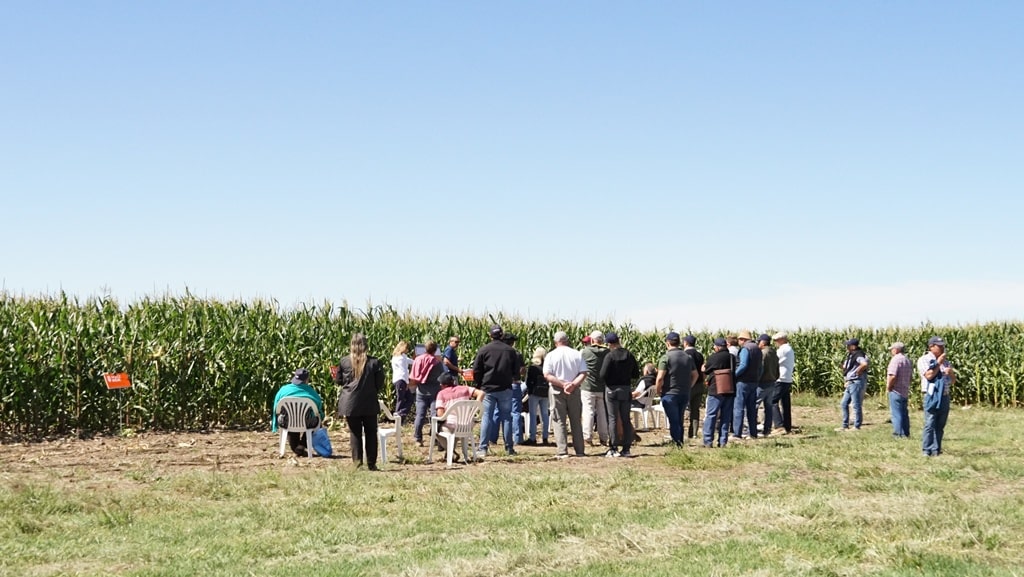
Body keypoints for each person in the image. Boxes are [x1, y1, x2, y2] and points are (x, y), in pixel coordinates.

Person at [335, 333, 385, 469]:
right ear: (366, 345)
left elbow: (338, 380)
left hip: (350, 403)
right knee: (371, 433)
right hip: (369, 402)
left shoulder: (344, 361)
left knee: (355, 433)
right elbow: (380, 383)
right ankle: (372, 464)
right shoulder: (375, 362)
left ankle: (357, 463)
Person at [472, 325, 522, 457]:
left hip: (488, 388)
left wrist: (479, 384)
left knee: (487, 417)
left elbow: (476, 370)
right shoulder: (510, 351)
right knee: (507, 418)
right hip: (505, 388)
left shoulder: (484, 350)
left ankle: (483, 448)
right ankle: (509, 448)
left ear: (490, 336)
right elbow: (516, 372)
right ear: (502, 335)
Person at [543, 330, 588, 458]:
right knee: (575, 420)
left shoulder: (551, 355)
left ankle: (562, 450)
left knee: (559, 420)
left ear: (555, 342)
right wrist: (572, 384)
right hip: (574, 390)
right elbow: (584, 372)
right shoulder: (576, 354)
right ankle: (579, 450)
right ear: (567, 341)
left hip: (557, 390)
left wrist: (563, 385)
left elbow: (547, 375)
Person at [599, 332, 640, 457]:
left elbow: (602, 374)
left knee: (613, 419)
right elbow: (636, 374)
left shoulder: (610, 356)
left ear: (609, 343)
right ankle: (626, 448)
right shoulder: (629, 355)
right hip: (626, 389)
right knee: (626, 419)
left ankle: (613, 447)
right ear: (619, 340)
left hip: (611, 390)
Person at [656, 331, 698, 447]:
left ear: (668, 343)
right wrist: (690, 386)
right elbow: (695, 374)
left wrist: (658, 390)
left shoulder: (666, 357)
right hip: (684, 393)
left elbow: (660, 377)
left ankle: (677, 443)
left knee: (674, 420)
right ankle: (680, 441)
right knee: (679, 418)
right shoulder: (688, 357)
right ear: (679, 342)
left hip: (670, 393)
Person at [272, 368, 325, 457]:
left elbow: (276, 408)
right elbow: (319, 409)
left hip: (287, 422)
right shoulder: (311, 392)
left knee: (289, 420)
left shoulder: (283, 389)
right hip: (306, 422)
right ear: (307, 379)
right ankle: (302, 445)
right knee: (316, 420)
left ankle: (295, 447)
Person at [918, 336, 955, 456]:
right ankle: (926, 449)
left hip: (944, 395)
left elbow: (952, 381)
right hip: (931, 395)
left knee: (940, 424)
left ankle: (936, 449)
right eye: (939, 346)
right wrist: (938, 363)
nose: (942, 348)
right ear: (931, 347)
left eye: (943, 345)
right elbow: (929, 376)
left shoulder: (946, 362)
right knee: (930, 422)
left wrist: (951, 373)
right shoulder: (924, 360)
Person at [434, 372, 484, 456]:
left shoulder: (441, 394)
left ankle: (450, 450)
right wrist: (474, 409)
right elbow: (481, 393)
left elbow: (440, 414)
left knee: (436, 429)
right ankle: (454, 451)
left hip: (452, 425)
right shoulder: (465, 389)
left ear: (444, 385)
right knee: (454, 431)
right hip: (467, 424)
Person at [702, 338, 736, 447]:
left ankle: (708, 440)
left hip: (715, 389)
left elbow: (706, 370)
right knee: (725, 417)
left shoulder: (713, 357)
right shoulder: (732, 357)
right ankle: (722, 441)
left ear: (717, 347)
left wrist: (703, 367)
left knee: (711, 415)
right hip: (729, 389)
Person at [409, 341, 443, 446]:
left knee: (420, 415)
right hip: (434, 391)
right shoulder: (436, 362)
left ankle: (418, 439)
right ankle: (436, 438)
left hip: (421, 390)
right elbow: (441, 377)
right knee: (434, 415)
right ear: (435, 350)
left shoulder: (418, 359)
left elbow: (413, 376)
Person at [580, 330, 610, 447]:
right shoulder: (607, 352)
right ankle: (604, 438)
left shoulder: (584, 352)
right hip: (602, 387)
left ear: (592, 340)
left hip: (588, 386)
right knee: (602, 413)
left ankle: (587, 438)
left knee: (588, 412)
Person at [732, 331, 763, 439]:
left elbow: (743, 365)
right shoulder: (758, 349)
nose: (739, 342)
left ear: (743, 340)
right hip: (754, 382)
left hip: (743, 381)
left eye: (740, 340)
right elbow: (761, 367)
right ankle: (753, 433)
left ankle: (737, 433)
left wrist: (733, 375)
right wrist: (757, 378)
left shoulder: (746, 349)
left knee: (739, 407)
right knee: (751, 408)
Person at [839, 338, 869, 431]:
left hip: (855, 382)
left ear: (853, 346)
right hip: (850, 382)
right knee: (844, 403)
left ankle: (857, 426)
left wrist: (858, 371)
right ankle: (845, 425)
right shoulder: (851, 355)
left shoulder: (858, 354)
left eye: (848, 345)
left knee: (856, 405)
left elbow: (864, 364)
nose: (846, 347)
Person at [523, 347, 550, 445]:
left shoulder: (533, 367)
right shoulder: (547, 366)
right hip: (546, 393)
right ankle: (545, 437)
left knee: (533, 415)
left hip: (534, 393)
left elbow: (527, 382)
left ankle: (532, 437)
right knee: (545, 415)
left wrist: (530, 391)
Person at [886, 341, 913, 438]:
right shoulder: (907, 360)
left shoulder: (895, 360)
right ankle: (906, 433)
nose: (891, 351)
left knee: (896, 413)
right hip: (904, 390)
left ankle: (898, 433)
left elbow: (893, 376)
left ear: (896, 350)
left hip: (896, 390)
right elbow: (910, 377)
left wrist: (889, 387)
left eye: (892, 349)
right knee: (904, 413)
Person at [771, 332, 795, 434]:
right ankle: (787, 426)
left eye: (776, 340)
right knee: (785, 403)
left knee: (772, 401)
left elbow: (774, 361)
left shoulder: (783, 350)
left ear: (782, 340)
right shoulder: (790, 349)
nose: (775, 342)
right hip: (787, 378)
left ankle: (779, 426)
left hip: (780, 379)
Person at [756, 334, 780, 437]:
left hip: (762, 383)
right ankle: (767, 429)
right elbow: (777, 368)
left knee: (754, 405)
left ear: (763, 342)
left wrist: (756, 379)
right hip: (772, 381)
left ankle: (752, 429)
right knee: (768, 407)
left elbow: (760, 369)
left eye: (759, 342)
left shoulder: (763, 353)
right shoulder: (773, 352)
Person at [682, 335, 705, 441]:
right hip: (700, 384)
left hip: (688, 384)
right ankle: (694, 433)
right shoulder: (699, 355)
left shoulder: (684, 355)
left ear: (685, 343)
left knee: (681, 409)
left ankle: (680, 432)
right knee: (695, 410)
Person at [391, 341, 414, 419]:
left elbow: (410, 361)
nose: (408, 350)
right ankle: (398, 414)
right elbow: (403, 371)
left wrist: (418, 361)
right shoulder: (399, 358)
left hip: (401, 380)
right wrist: (407, 382)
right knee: (401, 398)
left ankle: (400, 415)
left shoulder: (402, 356)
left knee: (409, 398)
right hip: (401, 379)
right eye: (407, 348)